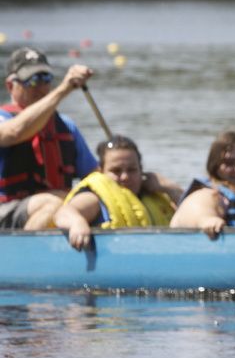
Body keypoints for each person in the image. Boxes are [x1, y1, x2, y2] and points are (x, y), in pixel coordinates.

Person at [1, 47, 97, 229]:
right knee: (53, 204)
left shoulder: (66, 126)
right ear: (10, 85)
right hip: (6, 210)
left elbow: (94, 176)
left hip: (53, 206)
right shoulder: (3, 120)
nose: (40, 86)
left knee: (93, 200)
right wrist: (64, 89)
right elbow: (14, 132)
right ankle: (22, 255)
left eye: (45, 79)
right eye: (32, 80)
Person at [53, 135, 182, 250]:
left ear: (141, 171)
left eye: (132, 170)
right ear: (101, 171)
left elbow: (189, 214)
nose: (125, 177)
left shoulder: (156, 197)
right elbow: (63, 213)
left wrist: (170, 188)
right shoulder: (94, 198)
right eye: (116, 171)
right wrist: (77, 223)